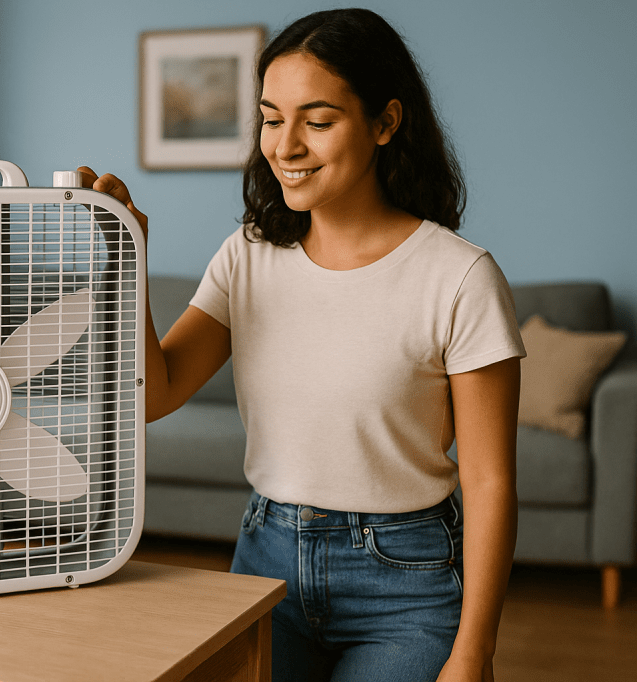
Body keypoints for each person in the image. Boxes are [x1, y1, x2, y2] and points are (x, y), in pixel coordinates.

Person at [80, 8, 524, 682]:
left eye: (317, 122)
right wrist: (126, 258)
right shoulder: (248, 257)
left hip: (405, 587)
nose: (285, 146)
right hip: (266, 562)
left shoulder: (460, 276)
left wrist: (474, 654)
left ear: (385, 123)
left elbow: (490, 481)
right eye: (270, 117)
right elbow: (155, 393)